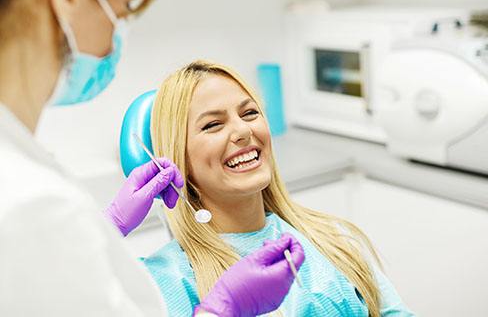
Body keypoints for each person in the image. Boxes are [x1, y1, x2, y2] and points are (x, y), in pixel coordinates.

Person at [0, 0, 305, 316]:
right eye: (124, 7)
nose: (116, 39)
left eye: (250, 112)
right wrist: (221, 311)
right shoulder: (33, 206)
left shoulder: (331, 241)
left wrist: (106, 226)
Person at [142, 60, 416, 316]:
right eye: (213, 125)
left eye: (250, 113)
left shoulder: (330, 239)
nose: (243, 131)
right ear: (179, 159)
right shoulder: (166, 278)